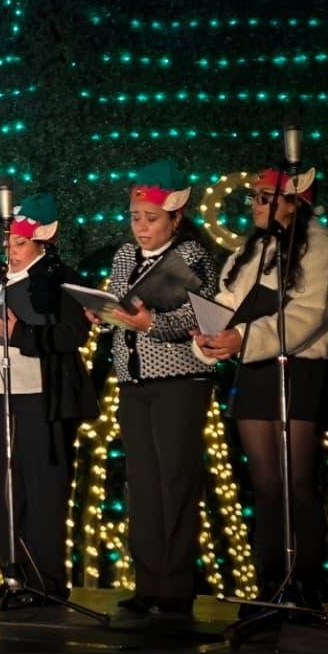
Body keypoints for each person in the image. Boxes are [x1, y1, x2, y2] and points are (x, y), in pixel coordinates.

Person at [84, 161, 218, 615]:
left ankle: (176, 587)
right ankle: (148, 582)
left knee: (175, 480)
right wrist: (100, 313)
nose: (141, 227)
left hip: (179, 379)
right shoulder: (125, 255)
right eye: (135, 217)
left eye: (152, 219)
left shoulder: (194, 256)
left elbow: (202, 319)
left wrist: (151, 323)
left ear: (176, 218)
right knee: (141, 481)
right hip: (133, 378)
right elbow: (119, 307)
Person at [193, 167, 328, 611]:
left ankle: (306, 584)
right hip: (253, 372)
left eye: (266, 197)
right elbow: (227, 304)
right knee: (267, 485)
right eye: (254, 196)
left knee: (298, 483)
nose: (254, 203)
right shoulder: (249, 251)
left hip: (297, 369)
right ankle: (271, 582)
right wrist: (210, 335)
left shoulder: (319, 246)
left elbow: (308, 313)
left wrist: (245, 337)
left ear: (295, 202)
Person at [0, 192, 98, 607]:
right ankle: (13, 575)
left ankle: (47, 582)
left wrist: (18, 333)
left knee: (44, 490)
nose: (12, 251)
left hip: (42, 397)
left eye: (20, 244)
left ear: (43, 240)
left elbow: (71, 336)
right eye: (9, 244)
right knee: (3, 489)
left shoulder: (63, 280)